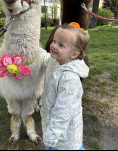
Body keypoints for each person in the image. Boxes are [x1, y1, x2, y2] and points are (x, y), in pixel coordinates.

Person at [39, 22, 90, 150]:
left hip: (66, 137)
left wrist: (50, 137)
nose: (53, 46)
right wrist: (32, 47)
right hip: (53, 127)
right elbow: (44, 57)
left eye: (61, 45)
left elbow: (63, 113)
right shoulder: (55, 61)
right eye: (54, 41)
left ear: (74, 54)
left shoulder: (70, 80)